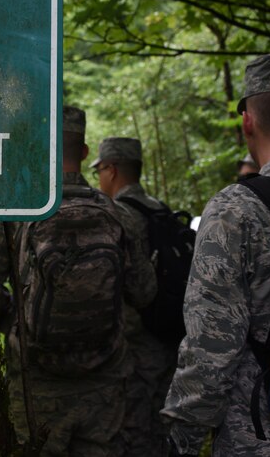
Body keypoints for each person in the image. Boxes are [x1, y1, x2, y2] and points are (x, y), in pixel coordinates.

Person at [161, 51, 270, 456]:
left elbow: (211, 349)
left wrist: (183, 439)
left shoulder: (235, 211)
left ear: (247, 123)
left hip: (267, 436)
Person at [0, 106, 156, 456]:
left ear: (37, 147)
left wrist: (16, 321)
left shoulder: (13, 213)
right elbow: (144, 293)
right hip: (104, 382)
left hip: (36, 384)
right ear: (85, 151)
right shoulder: (119, 214)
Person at [90, 136, 179, 457]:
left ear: (111, 170)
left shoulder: (116, 214)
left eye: (99, 171)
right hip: (168, 332)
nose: (99, 179)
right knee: (164, 420)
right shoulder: (160, 208)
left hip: (132, 341)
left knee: (135, 429)